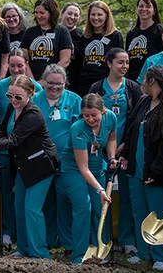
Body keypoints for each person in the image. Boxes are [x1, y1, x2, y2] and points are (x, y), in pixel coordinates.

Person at [0, 74, 59, 259]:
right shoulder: (14, 108)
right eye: (9, 96)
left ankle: (40, 254)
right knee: (19, 206)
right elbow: (4, 128)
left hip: (41, 166)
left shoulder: (33, 114)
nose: (13, 100)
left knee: (32, 209)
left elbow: (13, 140)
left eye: (18, 97)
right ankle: (23, 249)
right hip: (24, 166)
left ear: (30, 93)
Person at [120, 66, 163, 270]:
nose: (142, 84)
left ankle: (161, 256)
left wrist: (156, 172)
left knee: (156, 213)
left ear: (153, 81)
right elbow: (131, 130)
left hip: (155, 173)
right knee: (139, 211)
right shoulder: (144, 101)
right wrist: (125, 155)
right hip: (136, 168)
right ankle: (142, 252)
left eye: (145, 80)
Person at [88, 48, 142, 254]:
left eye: (127, 62)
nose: (125, 66)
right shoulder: (97, 87)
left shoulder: (133, 88)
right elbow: (89, 118)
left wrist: (125, 145)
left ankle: (127, 239)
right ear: (109, 64)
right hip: (100, 151)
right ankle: (103, 239)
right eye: (120, 62)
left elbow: (137, 121)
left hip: (125, 151)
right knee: (102, 195)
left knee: (127, 196)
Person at [0, 48, 42, 245]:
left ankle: (27, 235)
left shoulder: (35, 88)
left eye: (20, 65)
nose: (16, 69)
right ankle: (7, 231)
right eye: (12, 65)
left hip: (27, 150)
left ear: (27, 64)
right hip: (4, 148)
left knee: (25, 195)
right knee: (5, 191)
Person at [60, 94, 118, 264]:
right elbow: (82, 167)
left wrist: (112, 157)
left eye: (94, 115)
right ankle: (79, 256)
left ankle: (99, 249)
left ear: (102, 111)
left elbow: (112, 138)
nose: (90, 119)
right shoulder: (78, 129)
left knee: (100, 207)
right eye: (86, 115)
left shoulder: (111, 118)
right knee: (83, 206)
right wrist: (99, 189)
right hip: (74, 169)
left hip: (96, 166)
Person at [33, 64, 80, 253]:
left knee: (65, 201)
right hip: (41, 162)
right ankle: (48, 238)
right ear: (43, 82)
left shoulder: (74, 100)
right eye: (50, 83)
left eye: (59, 84)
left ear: (65, 83)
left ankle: (68, 243)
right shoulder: (35, 100)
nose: (54, 87)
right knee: (46, 203)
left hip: (66, 161)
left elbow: (79, 129)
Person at [76, 1, 124, 96]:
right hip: (85, 84)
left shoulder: (115, 36)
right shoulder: (85, 36)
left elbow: (120, 62)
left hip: (105, 84)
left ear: (106, 16)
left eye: (99, 15)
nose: (96, 18)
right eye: (93, 14)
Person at [20, 0, 73, 80]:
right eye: (36, 12)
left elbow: (65, 61)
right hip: (31, 81)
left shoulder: (62, 31)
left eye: (42, 13)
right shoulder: (29, 31)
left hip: (53, 81)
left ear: (51, 13)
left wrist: (46, 80)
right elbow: (23, 58)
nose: (38, 16)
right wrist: (32, 81)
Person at [125, 0, 163, 81]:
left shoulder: (160, 30)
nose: (144, 9)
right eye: (141, 6)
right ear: (137, 9)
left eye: (148, 6)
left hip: (152, 79)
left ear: (154, 11)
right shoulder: (131, 33)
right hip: (131, 80)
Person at [61, 3, 84, 94]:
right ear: (62, 14)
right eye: (69, 13)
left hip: (75, 82)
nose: (72, 17)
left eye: (76, 15)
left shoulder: (82, 36)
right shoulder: (55, 32)